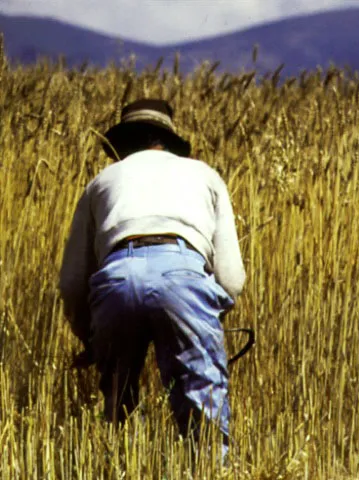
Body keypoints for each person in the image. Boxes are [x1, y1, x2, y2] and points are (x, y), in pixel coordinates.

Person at [59, 98, 246, 458]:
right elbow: (232, 277)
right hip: (183, 272)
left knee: (118, 402)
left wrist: (90, 338)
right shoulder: (205, 175)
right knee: (202, 400)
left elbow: (71, 281)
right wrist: (208, 317)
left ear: (121, 144)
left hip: (115, 275)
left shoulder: (101, 181)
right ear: (167, 140)